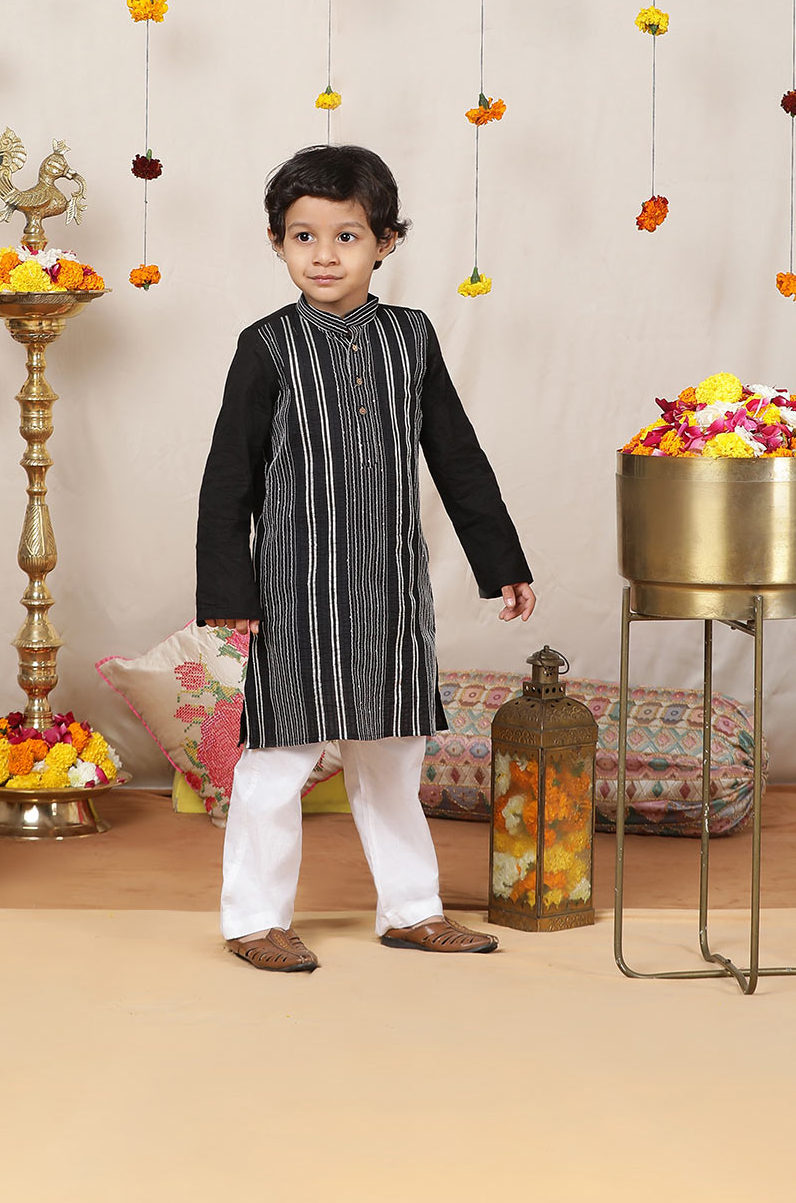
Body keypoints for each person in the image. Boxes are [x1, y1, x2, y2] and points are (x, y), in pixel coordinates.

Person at [197, 144, 535, 972]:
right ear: (277, 242)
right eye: (303, 237)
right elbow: (228, 477)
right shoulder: (267, 347)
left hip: (389, 590)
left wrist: (502, 560)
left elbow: (456, 455)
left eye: (346, 237)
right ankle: (255, 920)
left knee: (392, 756)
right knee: (279, 760)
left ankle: (413, 911)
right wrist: (230, 593)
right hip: (295, 592)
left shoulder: (411, 338)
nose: (324, 255)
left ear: (385, 242)